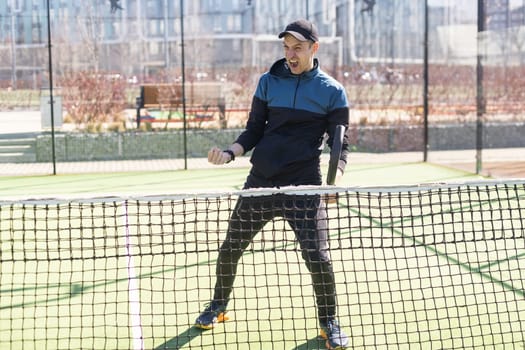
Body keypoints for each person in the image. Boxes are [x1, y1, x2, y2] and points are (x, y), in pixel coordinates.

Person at [195, 19, 350, 350]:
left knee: (318, 257)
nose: (290, 55)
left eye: (297, 48)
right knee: (230, 248)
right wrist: (229, 152)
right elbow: (253, 130)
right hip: (260, 182)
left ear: (313, 49)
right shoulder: (268, 82)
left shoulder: (332, 91)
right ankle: (218, 306)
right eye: (286, 48)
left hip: (304, 187)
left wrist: (333, 182)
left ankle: (329, 321)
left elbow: (341, 143)